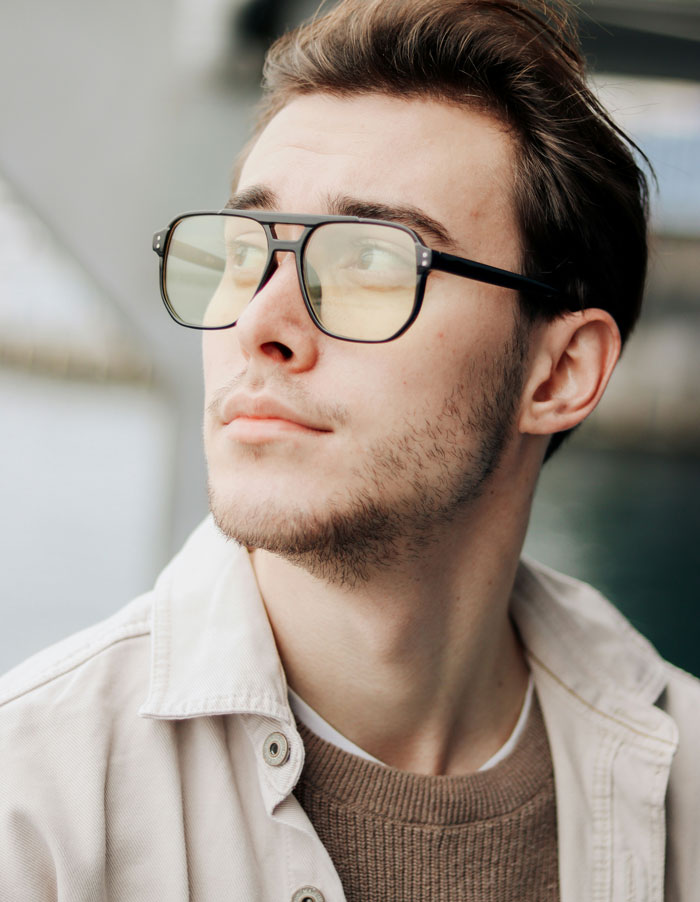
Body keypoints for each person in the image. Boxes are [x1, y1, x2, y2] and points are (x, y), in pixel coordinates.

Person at [1, 1, 698, 899]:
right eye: (245, 252)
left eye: (370, 262)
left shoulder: (683, 787)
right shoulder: (35, 806)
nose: (259, 325)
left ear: (559, 372)